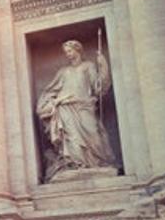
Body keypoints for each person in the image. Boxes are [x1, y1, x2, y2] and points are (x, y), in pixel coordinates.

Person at [36, 40, 115, 181]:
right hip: (66, 108)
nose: (68, 54)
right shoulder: (63, 72)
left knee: (94, 134)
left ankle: (98, 163)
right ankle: (76, 165)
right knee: (71, 138)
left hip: (85, 106)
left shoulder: (88, 66)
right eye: (66, 52)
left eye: (70, 51)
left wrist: (103, 66)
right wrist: (54, 102)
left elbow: (98, 87)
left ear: (78, 50)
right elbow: (50, 91)